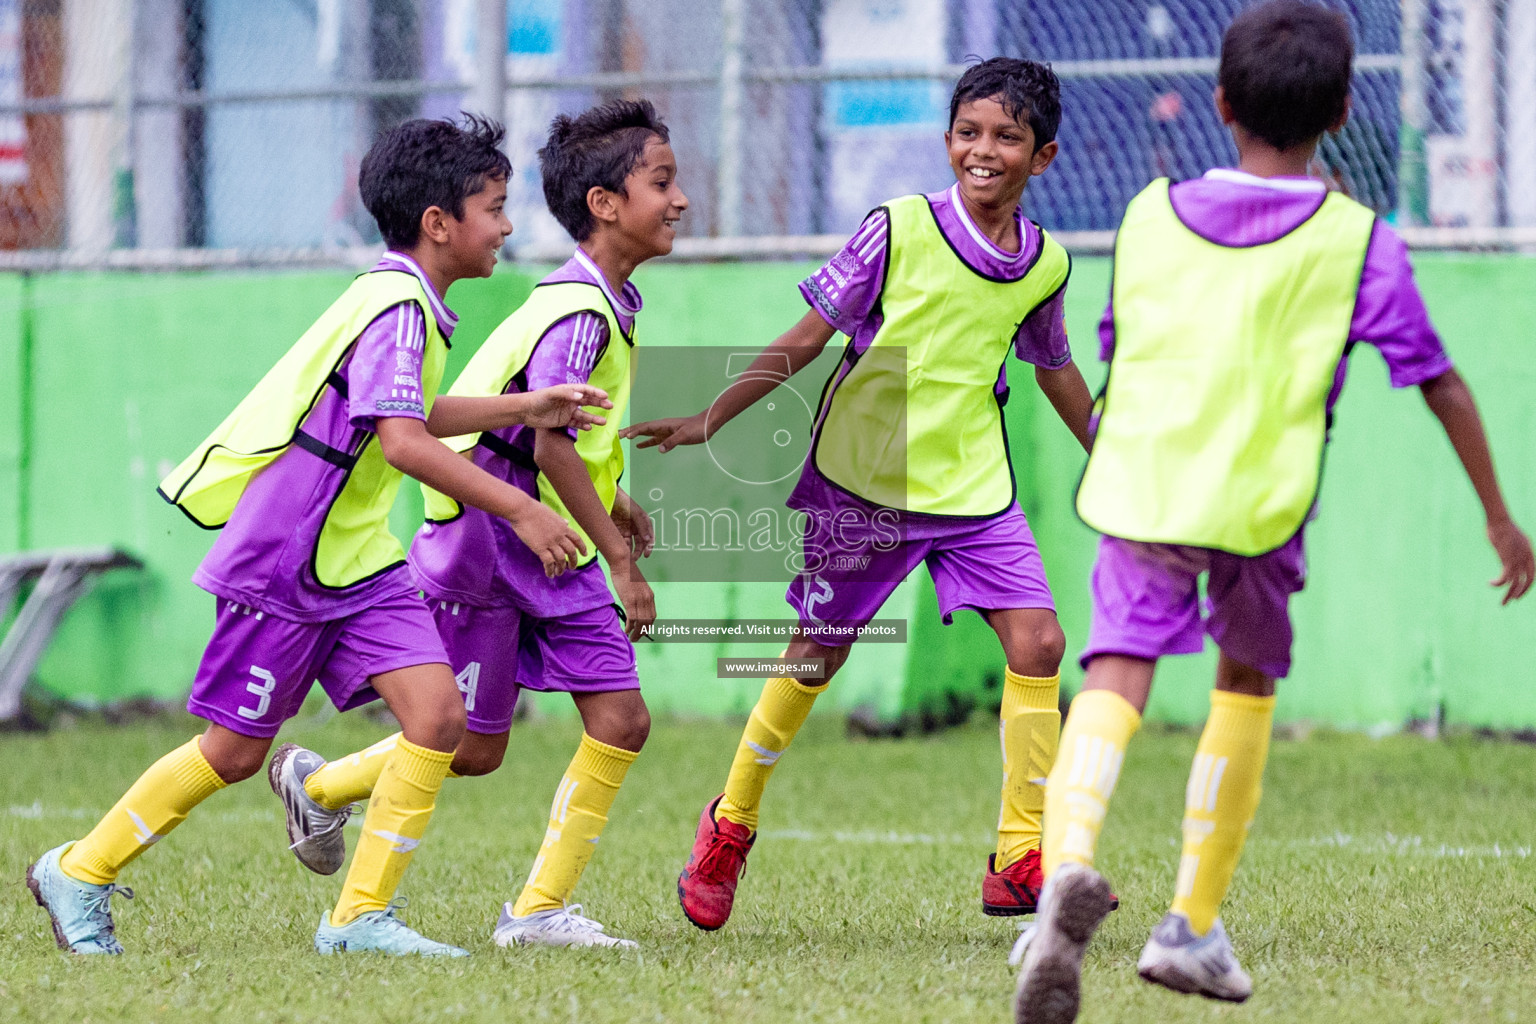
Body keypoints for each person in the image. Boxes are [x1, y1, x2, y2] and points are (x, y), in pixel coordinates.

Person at [1012, 4, 1535, 1021]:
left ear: (1218, 102)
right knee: (1243, 682)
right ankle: (1191, 923)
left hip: (1146, 481)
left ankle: (1063, 877)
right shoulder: (1358, 240)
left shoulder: (1148, 213)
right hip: (1260, 497)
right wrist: (1498, 515)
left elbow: (1123, 337)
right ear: (1343, 111)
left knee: (1116, 670)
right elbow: (1437, 379)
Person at [26, 114, 608, 959]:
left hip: (359, 558)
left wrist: (522, 407)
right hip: (289, 558)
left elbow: (401, 414)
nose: (508, 226)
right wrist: (520, 506)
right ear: (439, 223)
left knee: (439, 717)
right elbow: (406, 441)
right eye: (493, 206)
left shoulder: (410, 300)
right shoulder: (401, 305)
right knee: (230, 753)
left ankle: (358, 919)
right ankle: (79, 870)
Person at [624, 57, 1097, 931]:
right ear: (948, 140)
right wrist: (714, 415)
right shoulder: (899, 228)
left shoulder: (1046, 266)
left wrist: (1109, 455)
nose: (983, 151)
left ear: (1045, 156)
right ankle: (730, 823)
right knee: (817, 655)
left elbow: (1054, 365)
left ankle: (1020, 853)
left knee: (1040, 642)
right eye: (968, 133)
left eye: (1006, 137)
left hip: (973, 490)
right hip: (863, 484)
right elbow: (809, 335)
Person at [269, 99, 684, 950]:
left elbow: (566, 440)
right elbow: (544, 440)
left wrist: (611, 501)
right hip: (487, 550)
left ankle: (536, 913)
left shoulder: (610, 301)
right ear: (606, 204)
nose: (679, 200)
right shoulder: (577, 309)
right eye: (663, 182)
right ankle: (325, 799)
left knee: (621, 720)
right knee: (468, 746)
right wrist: (622, 562)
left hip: (546, 546)